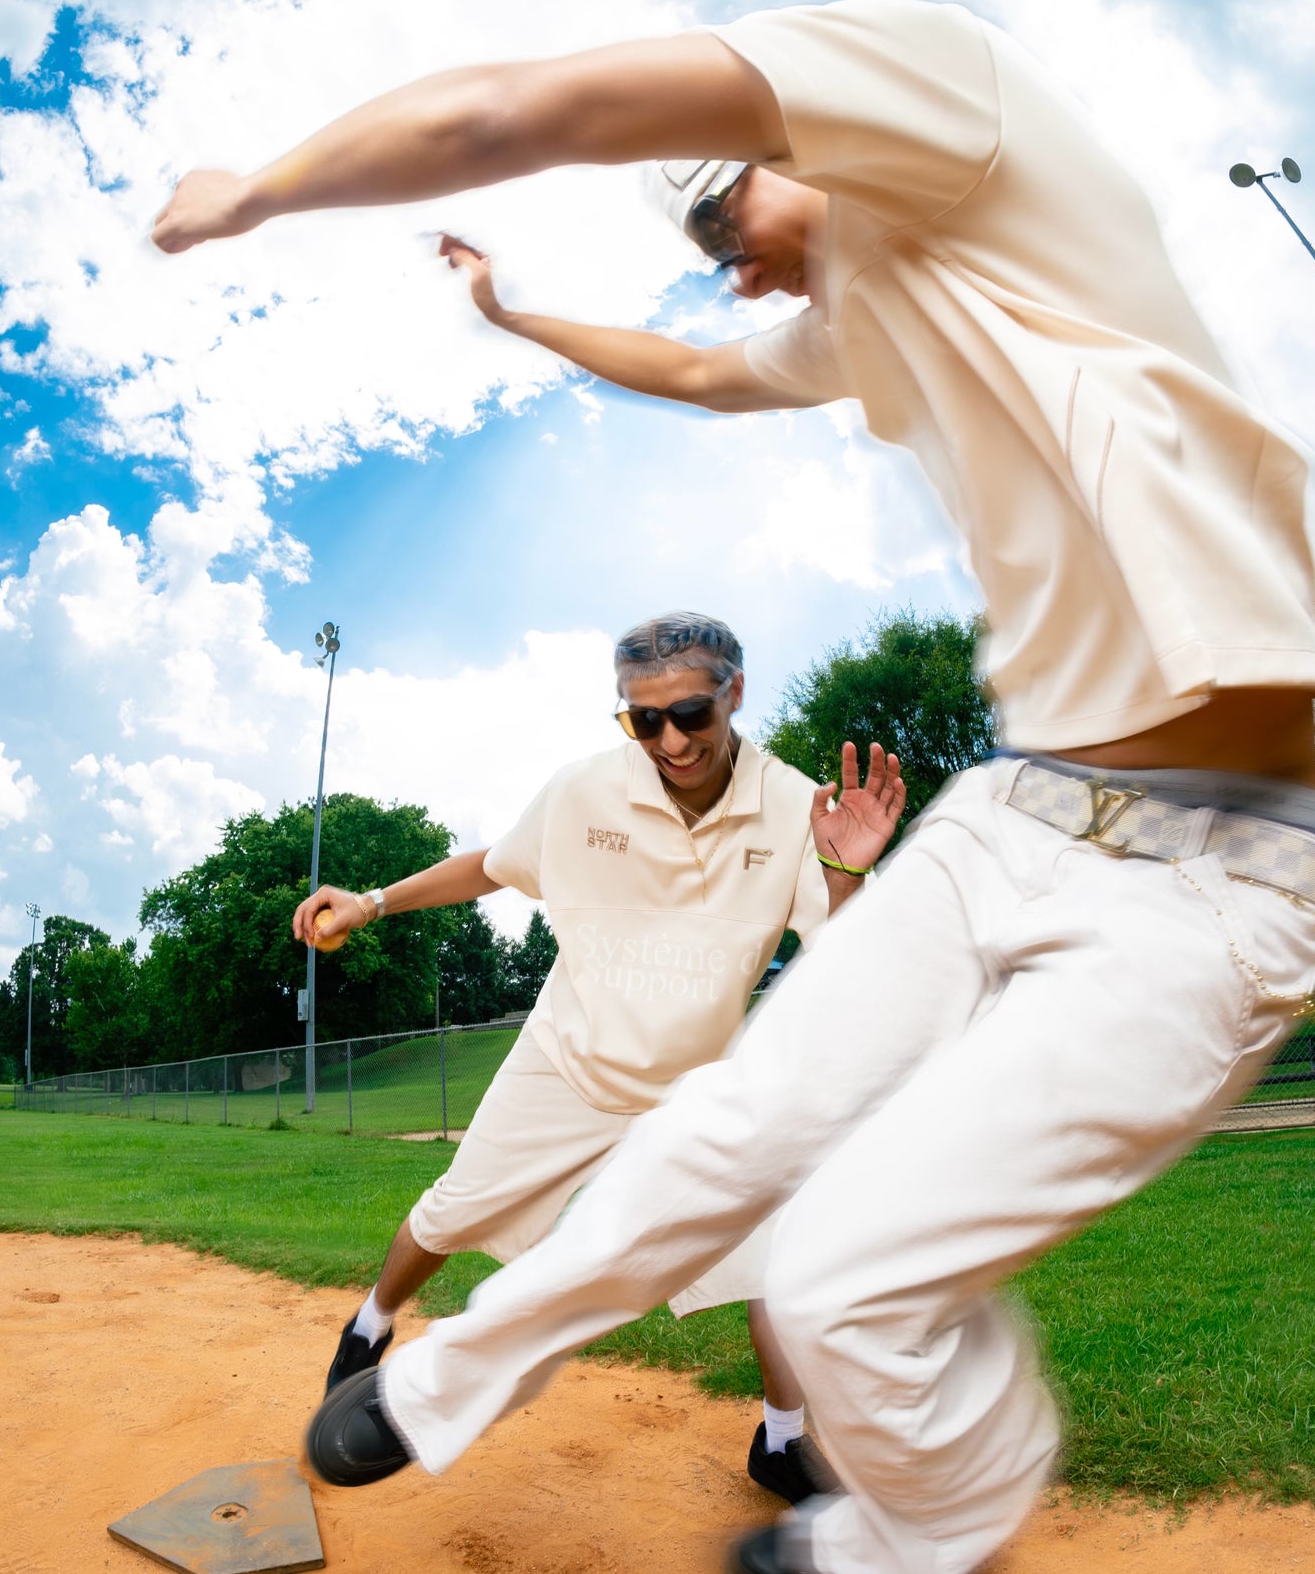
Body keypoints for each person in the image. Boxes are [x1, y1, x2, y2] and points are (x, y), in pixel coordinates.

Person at [157, 0, 1315, 1574]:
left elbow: (537, 90)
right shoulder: (851, 301)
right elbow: (700, 371)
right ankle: (445, 1375)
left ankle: (933, 1508)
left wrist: (266, 190)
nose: (734, 260)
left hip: (1224, 859)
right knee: (730, 1132)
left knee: (842, 1263)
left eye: (726, 212)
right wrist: (517, 323)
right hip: (1024, 804)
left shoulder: (960, 123)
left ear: (814, 144)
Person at [291, 610, 906, 1506]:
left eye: (690, 713)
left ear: (734, 694)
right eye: (641, 719)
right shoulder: (583, 791)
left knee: (772, 1261)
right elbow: (494, 866)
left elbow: (849, 953)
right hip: (566, 1062)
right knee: (450, 1210)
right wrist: (373, 901)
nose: (669, 739)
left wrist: (845, 874)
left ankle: (780, 1443)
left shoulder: (793, 806)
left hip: (695, 1086)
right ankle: (369, 1325)